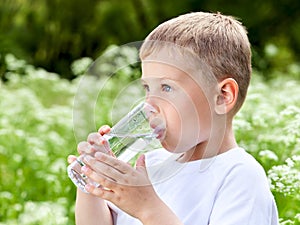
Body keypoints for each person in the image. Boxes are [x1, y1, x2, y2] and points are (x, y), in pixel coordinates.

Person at [68, 11, 279, 225]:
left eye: (167, 87)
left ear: (223, 97)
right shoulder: (150, 165)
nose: (149, 104)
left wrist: (148, 209)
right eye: (147, 88)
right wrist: (91, 181)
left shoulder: (239, 176)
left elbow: (149, 209)